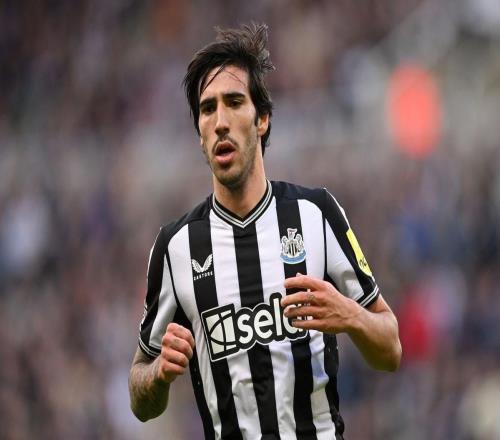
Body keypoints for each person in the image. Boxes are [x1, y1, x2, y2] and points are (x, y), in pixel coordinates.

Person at [128, 23, 402, 440]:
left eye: (234, 102)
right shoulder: (176, 247)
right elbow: (140, 398)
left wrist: (351, 316)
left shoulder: (316, 214)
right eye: (207, 108)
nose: (220, 121)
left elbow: (391, 350)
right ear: (199, 134)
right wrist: (159, 375)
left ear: (262, 119)